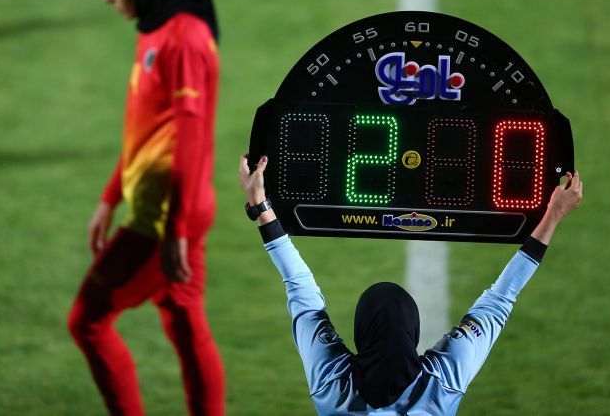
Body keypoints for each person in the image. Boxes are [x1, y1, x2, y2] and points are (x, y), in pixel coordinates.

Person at [238, 155, 583, 415]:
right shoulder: (440, 380)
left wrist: (261, 205)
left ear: (361, 330)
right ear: (412, 330)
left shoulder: (334, 382)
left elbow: (300, 289)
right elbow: (500, 300)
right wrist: (553, 215)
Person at [68, 0, 225, 416]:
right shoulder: (155, 30)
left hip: (164, 218)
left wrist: (174, 229)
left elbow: (190, 138)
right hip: (172, 209)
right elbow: (146, 130)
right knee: (185, 322)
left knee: (87, 321)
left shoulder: (185, 39)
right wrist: (109, 196)